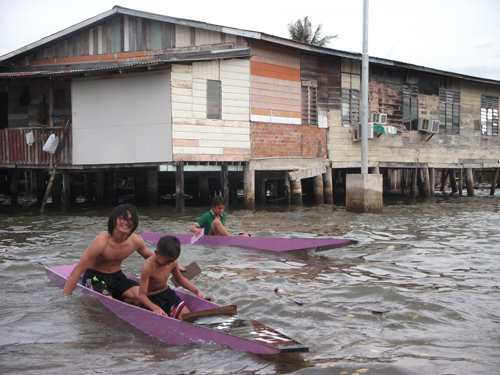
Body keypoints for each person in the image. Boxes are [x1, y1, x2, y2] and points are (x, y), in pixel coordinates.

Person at [62, 204, 153, 305]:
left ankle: (121, 300)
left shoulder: (136, 241)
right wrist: (65, 300)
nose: (126, 222)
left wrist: (171, 265)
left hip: (118, 277)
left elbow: (153, 259)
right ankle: (111, 297)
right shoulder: (101, 241)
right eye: (123, 218)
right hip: (94, 277)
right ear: (114, 220)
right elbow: (77, 270)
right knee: (108, 302)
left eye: (131, 220)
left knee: (141, 298)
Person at [138, 235, 204, 319]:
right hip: (151, 300)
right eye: (166, 261)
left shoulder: (173, 262)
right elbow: (141, 296)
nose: (169, 264)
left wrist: (196, 291)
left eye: (172, 261)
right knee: (160, 321)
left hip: (168, 295)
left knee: (187, 318)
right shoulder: (148, 267)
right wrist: (155, 307)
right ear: (156, 253)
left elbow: (180, 279)